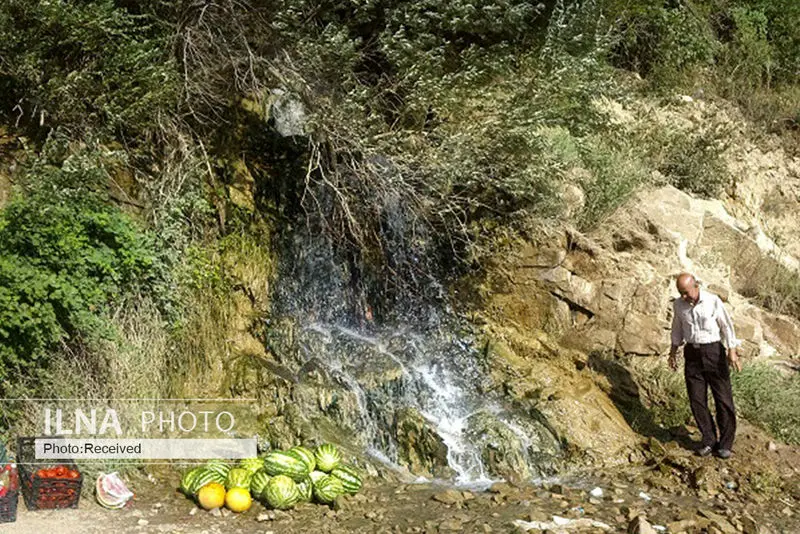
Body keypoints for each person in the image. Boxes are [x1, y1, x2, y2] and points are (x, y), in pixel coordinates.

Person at [668, 272, 741, 459]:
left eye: (686, 292)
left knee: (723, 399)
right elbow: (677, 328)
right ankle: (709, 440)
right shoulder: (678, 305)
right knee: (697, 399)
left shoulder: (712, 301)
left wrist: (731, 351)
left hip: (713, 351)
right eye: (680, 293)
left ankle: (725, 444)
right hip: (692, 353)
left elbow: (726, 326)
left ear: (696, 285)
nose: (684, 296)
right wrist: (672, 352)